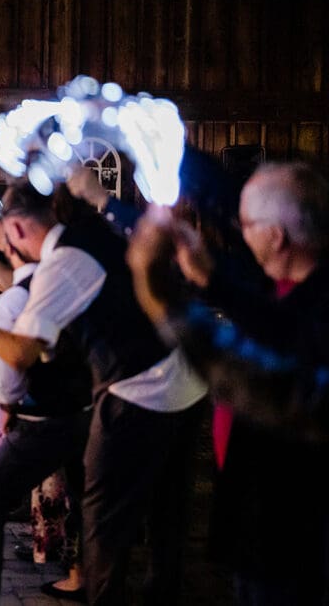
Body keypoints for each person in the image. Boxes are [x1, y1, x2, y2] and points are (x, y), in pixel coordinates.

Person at [0, 181, 208, 605]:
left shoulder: (59, 266)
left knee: (102, 527)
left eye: (3, 233)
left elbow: (21, 353)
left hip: (138, 391)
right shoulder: (91, 231)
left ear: (16, 229)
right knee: (166, 522)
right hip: (188, 382)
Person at [127, 161, 329, 605]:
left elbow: (270, 373)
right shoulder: (285, 283)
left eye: (250, 225)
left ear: (277, 237)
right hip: (262, 525)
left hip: (292, 532)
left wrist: (163, 302)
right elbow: (262, 311)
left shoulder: (318, 308)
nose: (241, 231)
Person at [0, 221, 92, 605]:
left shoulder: (15, 300)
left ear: (16, 237)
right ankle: (88, 577)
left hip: (42, 419)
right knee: (84, 500)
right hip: (87, 411)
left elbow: (11, 377)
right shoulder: (66, 275)